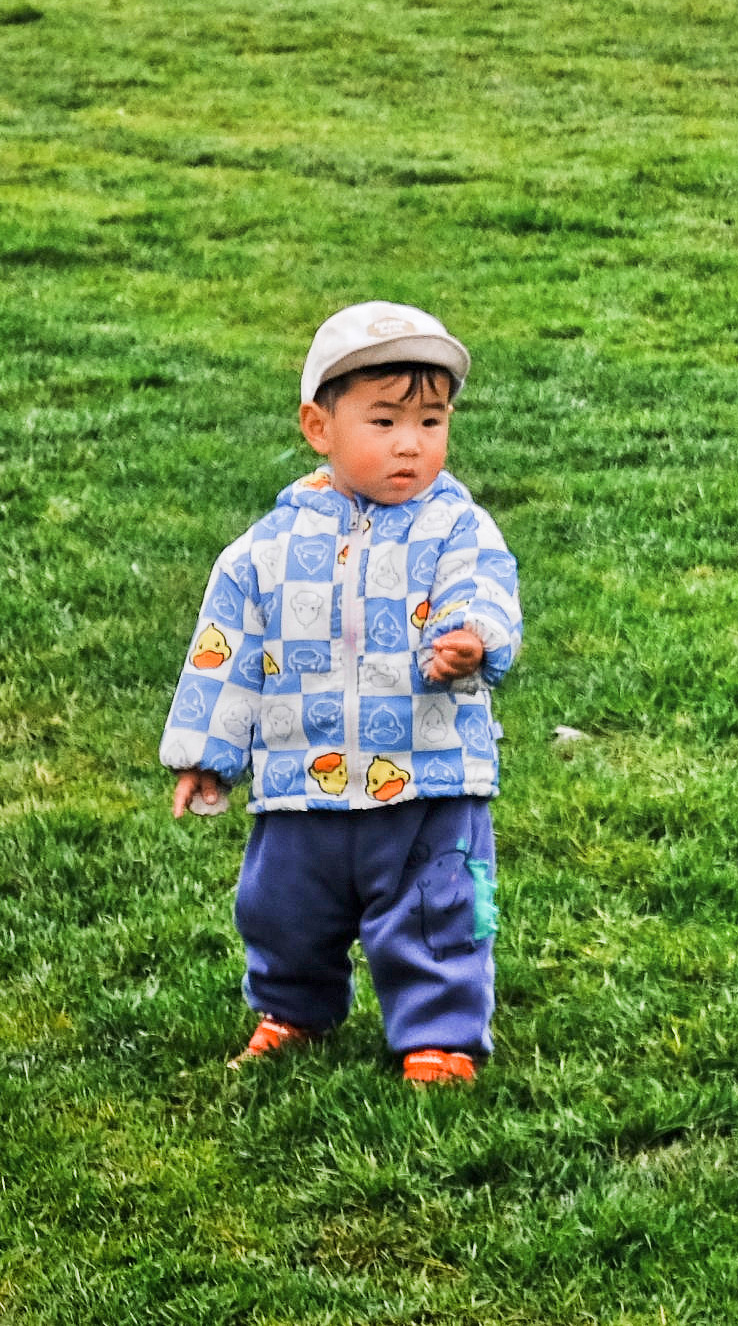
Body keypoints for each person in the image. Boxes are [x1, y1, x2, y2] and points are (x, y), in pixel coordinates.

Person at [162, 301, 523, 1084]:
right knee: (281, 908)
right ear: (319, 427)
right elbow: (226, 648)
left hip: (429, 774)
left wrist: (471, 638)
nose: (410, 443)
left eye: (431, 422)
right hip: (302, 777)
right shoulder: (265, 550)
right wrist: (206, 753)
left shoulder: (457, 528)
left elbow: (484, 591)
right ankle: (293, 1011)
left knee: (437, 908)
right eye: (384, 421)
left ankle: (439, 1036)